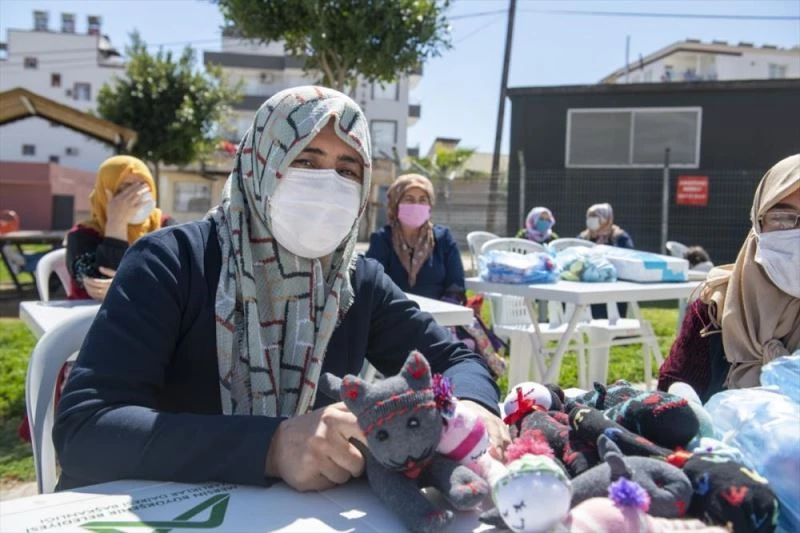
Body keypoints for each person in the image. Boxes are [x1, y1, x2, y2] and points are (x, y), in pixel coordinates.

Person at [53, 86, 507, 493]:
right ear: (259, 165)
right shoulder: (172, 261)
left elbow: (455, 359)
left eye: (348, 170)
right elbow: (86, 429)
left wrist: (471, 407)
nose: (328, 185)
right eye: (305, 161)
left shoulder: (354, 281)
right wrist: (271, 447)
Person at [658, 154, 800, 402]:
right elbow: (674, 384)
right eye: (782, 218)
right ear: (758, 224)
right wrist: (684, 400)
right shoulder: (714, 307)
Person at [66, 155, 175, 301]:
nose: (137, 195)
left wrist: (132, 287)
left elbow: (179, 279)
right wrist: (116, 224)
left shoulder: (165, 226)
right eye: (126, 187)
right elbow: (99, 286)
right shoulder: (82, 235)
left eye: (143, 185)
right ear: (105, 193)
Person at [366, 173, 465, 302]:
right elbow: (371, 285)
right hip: (392, 316)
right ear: (395, 204)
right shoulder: (382, 239)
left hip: (439, 317)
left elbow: (456, 286)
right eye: (409, 199)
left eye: (423, 200)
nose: (416, 205)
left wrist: (445, 312)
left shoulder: (443, 239)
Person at [579, 203, 633, 318]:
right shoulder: (583, 237)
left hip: (615, 284)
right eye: (590, 216)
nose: (592, 220)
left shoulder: (619, 237)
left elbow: (628, 258)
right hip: (589, 284)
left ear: (606, 219)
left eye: (596, 216)